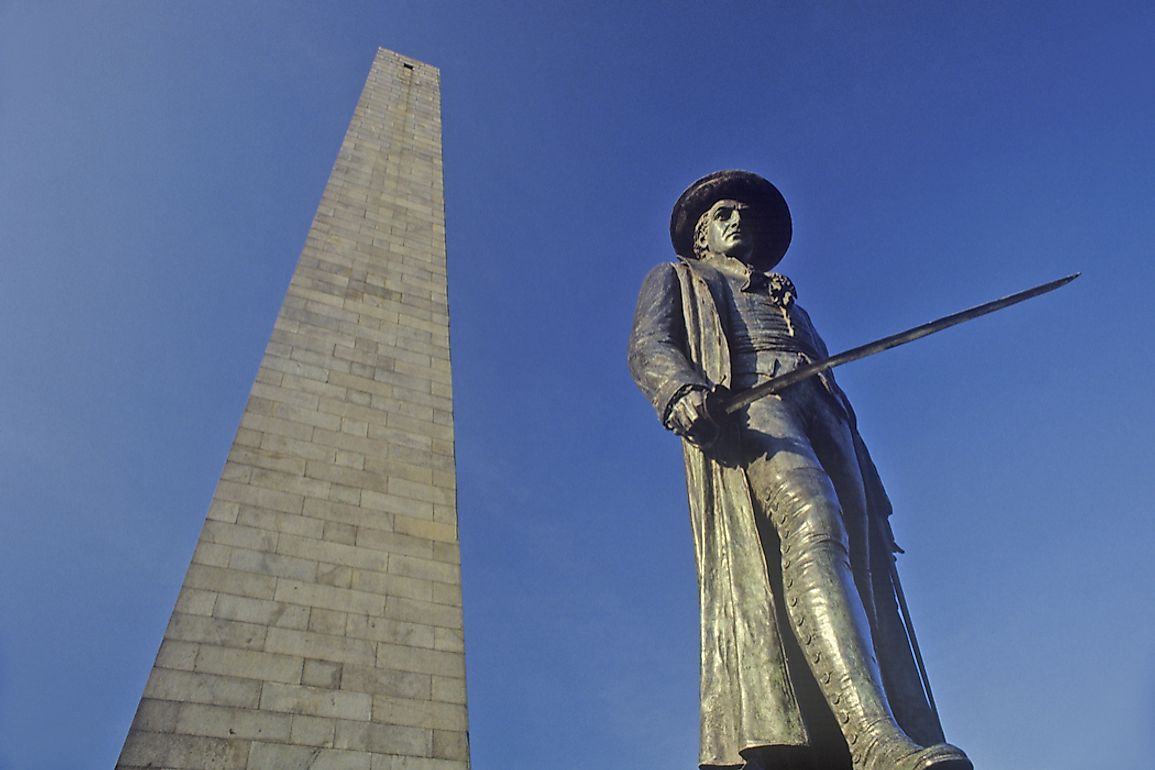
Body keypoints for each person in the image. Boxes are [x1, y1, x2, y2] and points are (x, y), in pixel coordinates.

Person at [628, 170, 971, 770]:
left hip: (821, 406)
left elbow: (828, 374)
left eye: (743, 214)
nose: (738, 221)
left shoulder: (788, 298)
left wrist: (875, 487)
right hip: (752, 401)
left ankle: (884, 724)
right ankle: (870, 739)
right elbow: (649, 345)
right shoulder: (678, 278)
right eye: (723, 214)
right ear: (701, 234)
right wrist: (679, 390)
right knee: (812, 522)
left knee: (861, 562)